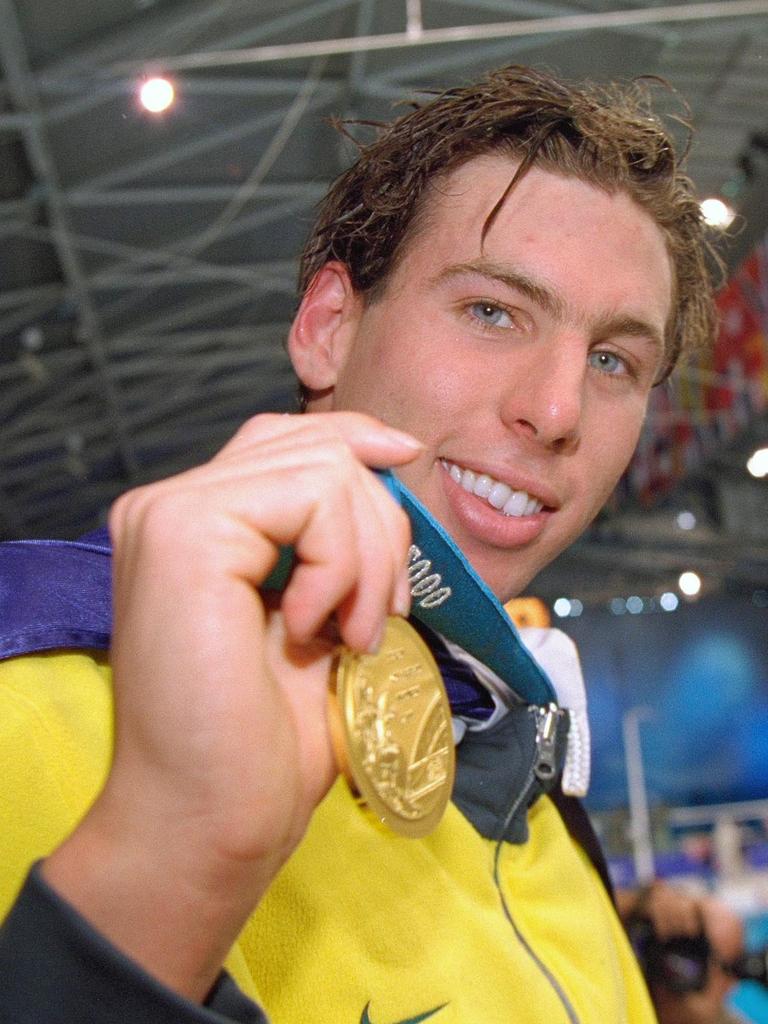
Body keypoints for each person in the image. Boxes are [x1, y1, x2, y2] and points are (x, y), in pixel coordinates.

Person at [0, 64, 718, 1023]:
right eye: (492, 311)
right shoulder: (25, 680)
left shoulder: (545, 817)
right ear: (329, 326)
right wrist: (169, 859)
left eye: (612, 361)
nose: (556, 410)